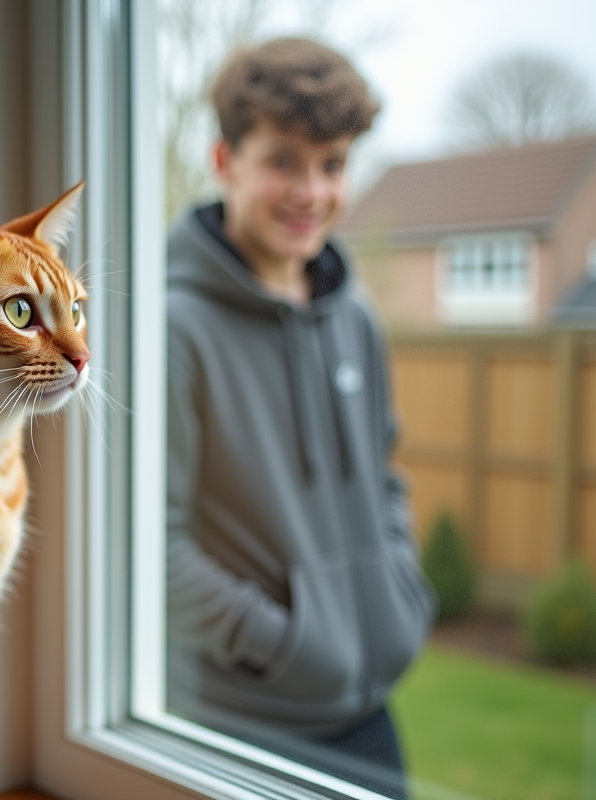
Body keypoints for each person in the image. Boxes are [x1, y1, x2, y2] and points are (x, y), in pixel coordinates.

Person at [165, 37, 436, 799]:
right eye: (284, 160)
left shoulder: (358, 319)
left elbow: (384, 476)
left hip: (372, 714)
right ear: (225, 161)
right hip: (244, 723)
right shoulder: (172, 329)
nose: (311, 192)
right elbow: (152, 544)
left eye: (333, 165)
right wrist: (284, 646)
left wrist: (399, 593)